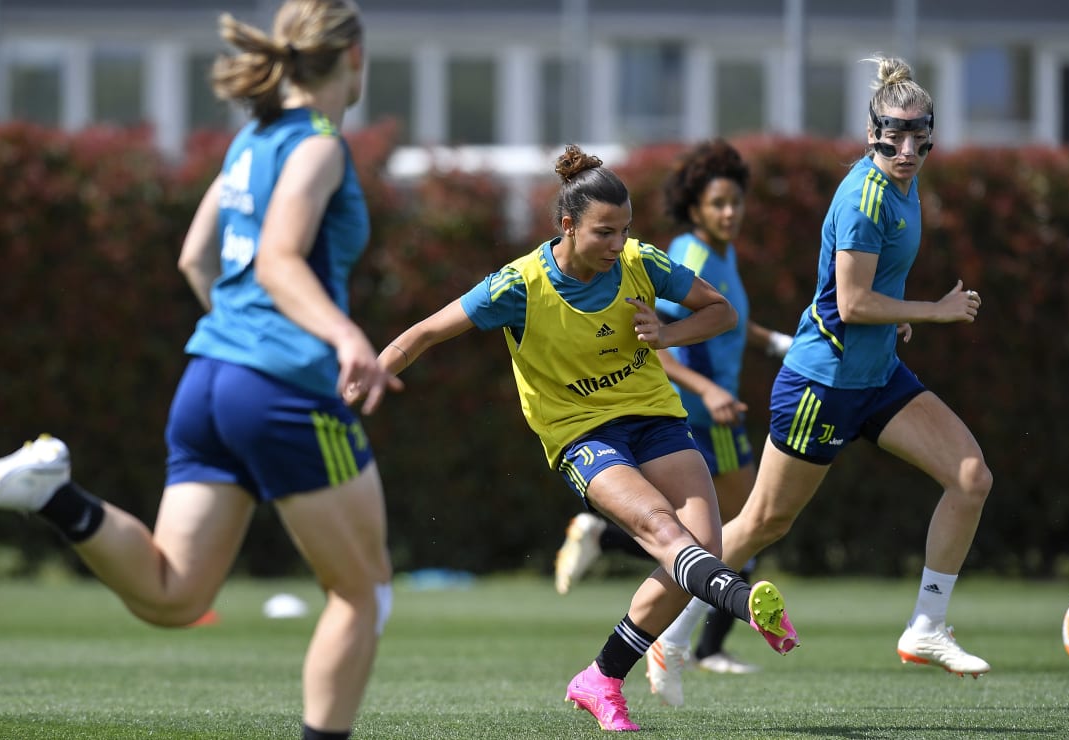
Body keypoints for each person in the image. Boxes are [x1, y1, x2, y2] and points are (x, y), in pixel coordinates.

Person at [0, 2, 399, 738]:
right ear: (355, 57)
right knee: (362, 592)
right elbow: (280, 260)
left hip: (210, 381)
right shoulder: (318, 145)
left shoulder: (250, 141)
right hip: (283, 390)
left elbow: (196, 256)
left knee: (174, 596)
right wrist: (345, 335)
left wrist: (240, 336)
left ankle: (56, 496)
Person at [368, 145, 799, 732]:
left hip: (655, 418)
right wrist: (368, 375)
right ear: (567, 226)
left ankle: (601, 677)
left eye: (624, 231)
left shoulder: (642, 263)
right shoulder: (517, 286)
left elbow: (721, 313)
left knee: (701, 549)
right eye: (604, 233)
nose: (618, 245)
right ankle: (740, 602)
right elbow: (422, 334)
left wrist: (667, 333)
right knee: (661, 531)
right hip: (581, 435)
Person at [716, 55, 994, 679]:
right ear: (872, 133)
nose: (905, 149)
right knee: (763, 523)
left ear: (930, 136)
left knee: (971, 478)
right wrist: (934, 311)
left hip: (879, 377)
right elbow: (851, 302)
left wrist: (894, 319)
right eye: (893, 136)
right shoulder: (868, 196)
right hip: (824, 383)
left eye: (918, 138)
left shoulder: (906, 180)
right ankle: (668, 633)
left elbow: (872, 290)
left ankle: (926, 626)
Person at [551, 140, 795, 706]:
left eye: (736, 202)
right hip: (696, 411)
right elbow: (650, 339)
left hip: (718, 405)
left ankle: (614, 549)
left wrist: (781, 342)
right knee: (747, 528)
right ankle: (693, 643)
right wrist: (708, 389)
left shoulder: (723, 255)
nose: (730, 213)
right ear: (695, 208)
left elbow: (735, 324)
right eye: (718, 204)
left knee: (733, 532)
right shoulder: (686, 254)